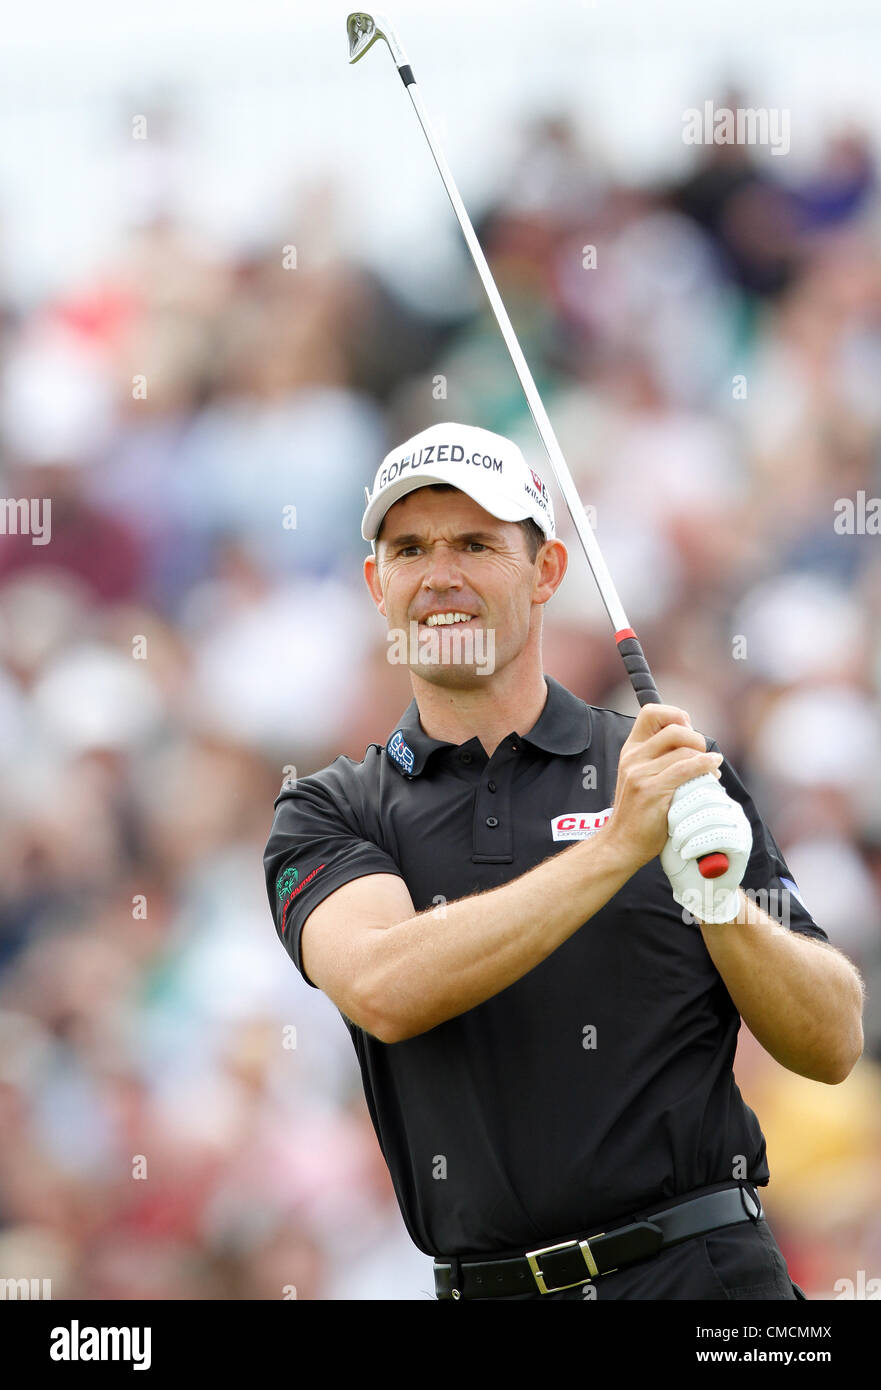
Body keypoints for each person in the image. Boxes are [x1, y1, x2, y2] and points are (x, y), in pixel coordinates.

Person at [263, 421, 864, 1301]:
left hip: (707, 1278)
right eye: (409, 549)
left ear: (544, 572)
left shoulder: (669, 773)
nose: (440, 577)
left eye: (475, 544)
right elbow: (383, 988)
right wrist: (617, 848)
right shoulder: (329, 809)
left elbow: (831, 1040)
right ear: (375, 583)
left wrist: (722, 903)